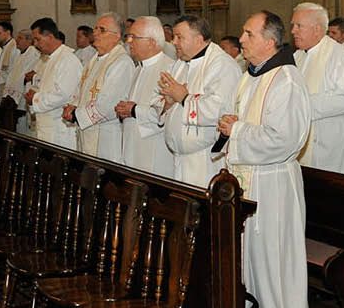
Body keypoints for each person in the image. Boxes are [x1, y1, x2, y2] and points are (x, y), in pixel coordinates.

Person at [218, 11, 310, 308]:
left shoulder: (285, 80)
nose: (241, 39)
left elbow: (284, 140)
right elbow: (246, 121)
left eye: (248, 34)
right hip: (250, 180)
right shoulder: (253, 75)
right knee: (253, 257)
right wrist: (232, 123)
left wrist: (237, 130)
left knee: (275, 257)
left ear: (270, 42)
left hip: (273, 184)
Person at [159, 14, 241, 187]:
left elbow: (219, 110)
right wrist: (168, 101)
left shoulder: (222, 65)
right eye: (173, 37)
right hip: (179, 159)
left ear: (198, 39)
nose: (174, 42)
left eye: (179, 37)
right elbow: (166, 102)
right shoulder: (181, 63)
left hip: (205, 161)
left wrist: (183, 97)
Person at [290, 3, 344, 174]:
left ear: (316, 29)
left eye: (298, 26)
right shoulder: (297, 56)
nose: (293, 31)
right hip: (302, 140)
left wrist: (302, 105)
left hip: (329, 145)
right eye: (293, 25)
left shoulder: (339, 55)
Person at [64, 13, 133, 162]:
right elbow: (81, 88)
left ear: (117, 36)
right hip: (86, 131)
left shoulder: (122, 62)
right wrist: (72, 106)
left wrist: (77, 114)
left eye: (101, 30)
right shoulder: (95, 59)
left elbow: (109, 104)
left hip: (105, 137)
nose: (95, 33)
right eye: (95, 28)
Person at [116, 17, 176, 176]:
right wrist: (124, 110)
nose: (129, 41)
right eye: (128, 37)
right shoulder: (139, 68)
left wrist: (134, 110)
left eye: (134, 37)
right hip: (132, 144)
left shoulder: (169, 69)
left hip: (153, 150)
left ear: (151, 42)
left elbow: (165, 113)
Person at [25, 17, 82, 149]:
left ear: (50, 37)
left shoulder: (68, 59)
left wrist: (35, 99)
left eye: (38, 39)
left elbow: (63, 95)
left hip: (59, 129)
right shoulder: (50, 59)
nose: (35, 44)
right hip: (48, 125)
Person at [0, 29, 39, 134]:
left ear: (29, 40)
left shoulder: (33, 54)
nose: (16, 40)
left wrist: (13, 95)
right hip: (15, 97)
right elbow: (12, 75)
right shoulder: (20, 54)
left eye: (20, 38)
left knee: (23, 126)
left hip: (22, 96)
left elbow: (25, 76)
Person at [0, 21, 19, 98]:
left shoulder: (14, 47)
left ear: (8, 32)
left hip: (10, 89)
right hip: (3, 86)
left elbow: (14, 70)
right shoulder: (5, 47)